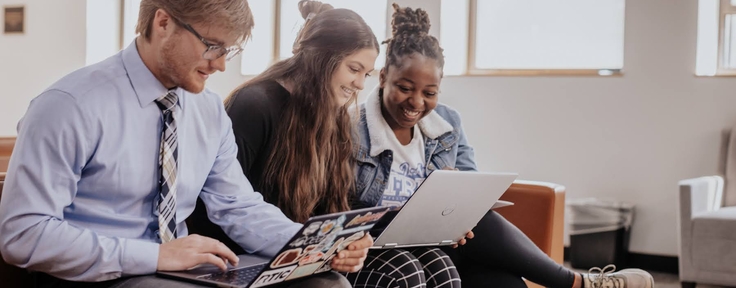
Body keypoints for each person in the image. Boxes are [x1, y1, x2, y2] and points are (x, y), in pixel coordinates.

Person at [0, 0, 371, 287]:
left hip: (179, 273)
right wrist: (155, 256)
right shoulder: (70, 105)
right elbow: (23, 234)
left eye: (230, 51)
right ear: (163, 23)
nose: (222, 65)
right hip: (102, 275)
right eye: (213, 46)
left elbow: (238, 207)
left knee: (327, 283)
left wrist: (312, 245)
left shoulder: (207, 110)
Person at [351, 3, 656, 288]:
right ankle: (575, 283)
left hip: (438, 242)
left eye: (430, 92)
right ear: (382, 78)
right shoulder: (351, 129)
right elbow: (340, 209)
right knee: (462, 244)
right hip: (376, 247)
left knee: (501, 277)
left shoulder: (447, 123)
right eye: (404, 88)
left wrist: (458, 217)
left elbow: (470, 187)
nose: (416, 102)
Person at [187, 1, 461, 287]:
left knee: (441, 266)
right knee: (398, 272)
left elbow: (332, 208)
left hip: (304, 252)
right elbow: (218, 206)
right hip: (247, 255)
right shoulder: (255, 105)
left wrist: (347, 243)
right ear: (323, 58)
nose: (359, 84)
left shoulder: (336, 117)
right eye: (354, 69)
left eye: (365, 74)